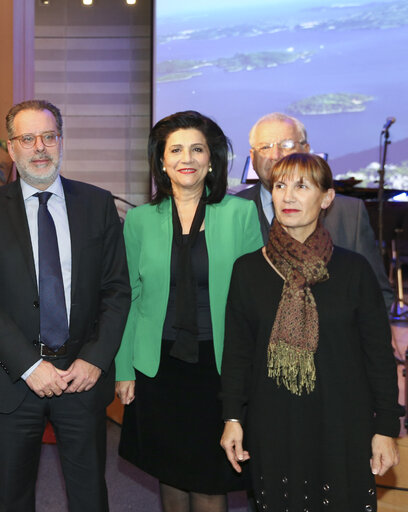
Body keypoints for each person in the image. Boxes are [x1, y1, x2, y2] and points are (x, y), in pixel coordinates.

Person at [0, 99, 130, 511]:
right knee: (12, 496)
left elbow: (116, 291)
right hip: (15, 379)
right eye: (27, 138)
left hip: (81, 378)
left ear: (61, 140)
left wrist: (95, 360)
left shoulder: (97, 204)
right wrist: (29, 366)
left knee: (90, 494)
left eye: (49, 136)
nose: (39, 147)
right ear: (11, 147)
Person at [221, 152, 401, 512]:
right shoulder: (248, 270)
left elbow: (379, 357)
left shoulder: (354, 270)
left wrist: (385, 429)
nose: (287, 196)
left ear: (327, 198)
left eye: (302, 186)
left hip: (342, 423)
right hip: (273, 422)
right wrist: (232, 418)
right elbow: (237, 355)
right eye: (280, 185)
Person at [115, 111, 263, 512]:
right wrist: (124, 368)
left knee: (212, 476)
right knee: (172, 473)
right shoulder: (140, 221)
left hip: (220, 366)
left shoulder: (240, 214)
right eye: (176, 149)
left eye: (197, 149)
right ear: (161, 161)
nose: (187, 157)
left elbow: (256, 299)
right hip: (158, 367)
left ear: (211, 160)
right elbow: (129, 296)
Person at [237, 112, 393, 308]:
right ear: (252, 157)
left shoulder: (349, 214)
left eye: (286, 145)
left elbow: (377, 294)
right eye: (265, 147)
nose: (275, 155)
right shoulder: (232, 211)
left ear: (306, 150)